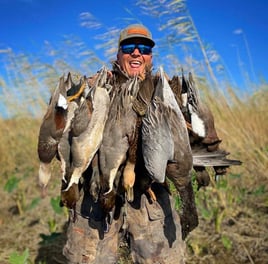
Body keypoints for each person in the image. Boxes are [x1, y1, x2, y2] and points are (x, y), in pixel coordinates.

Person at [63, 24, 191, 264]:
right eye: (129, 47)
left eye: (144, 48)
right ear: (118, 54)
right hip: (96, 196)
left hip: (149, 199)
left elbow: (189, 144)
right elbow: (65, 131)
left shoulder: (165, 90)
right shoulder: (96, 87)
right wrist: (84, 93)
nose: (136, 53)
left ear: (150, 57)